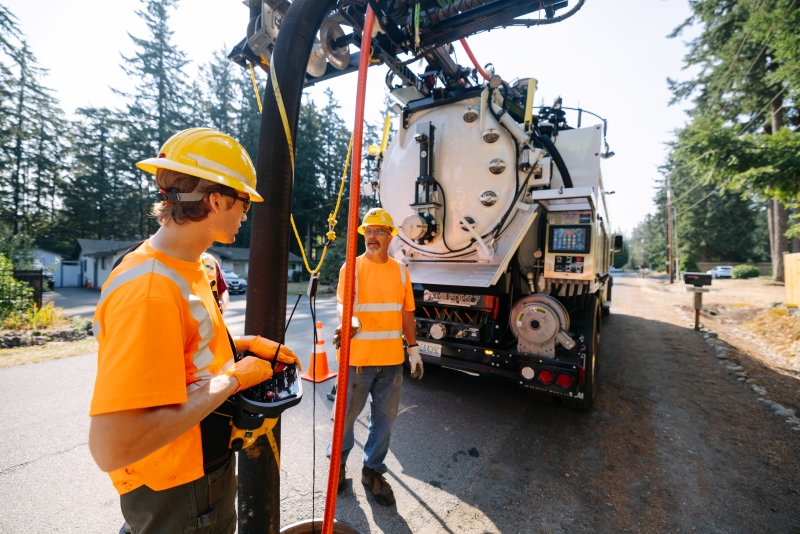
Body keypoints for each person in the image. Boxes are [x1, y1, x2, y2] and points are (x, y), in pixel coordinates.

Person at [88, 128, 301, 534]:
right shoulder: (150, 290)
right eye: (243, 203)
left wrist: (240, 346)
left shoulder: (189, 264)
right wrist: (233, 379)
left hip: (200, 468)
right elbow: (114, 446)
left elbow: (181, 350)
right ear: (216, 199)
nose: (244, 214)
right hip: (180, 486)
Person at [327, 208, 424, 506]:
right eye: (368, 231)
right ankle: (338, 467)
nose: (372, 236)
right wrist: (349, 321)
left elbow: (407, 311)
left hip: (391, 361)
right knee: (345, 418)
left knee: (384, 420)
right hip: (357, 360)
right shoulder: (352, 268)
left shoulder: (399, 270)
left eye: (378, 231)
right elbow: (344, 304)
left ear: (390, 236)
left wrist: (413, 347)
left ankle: (372, 470)